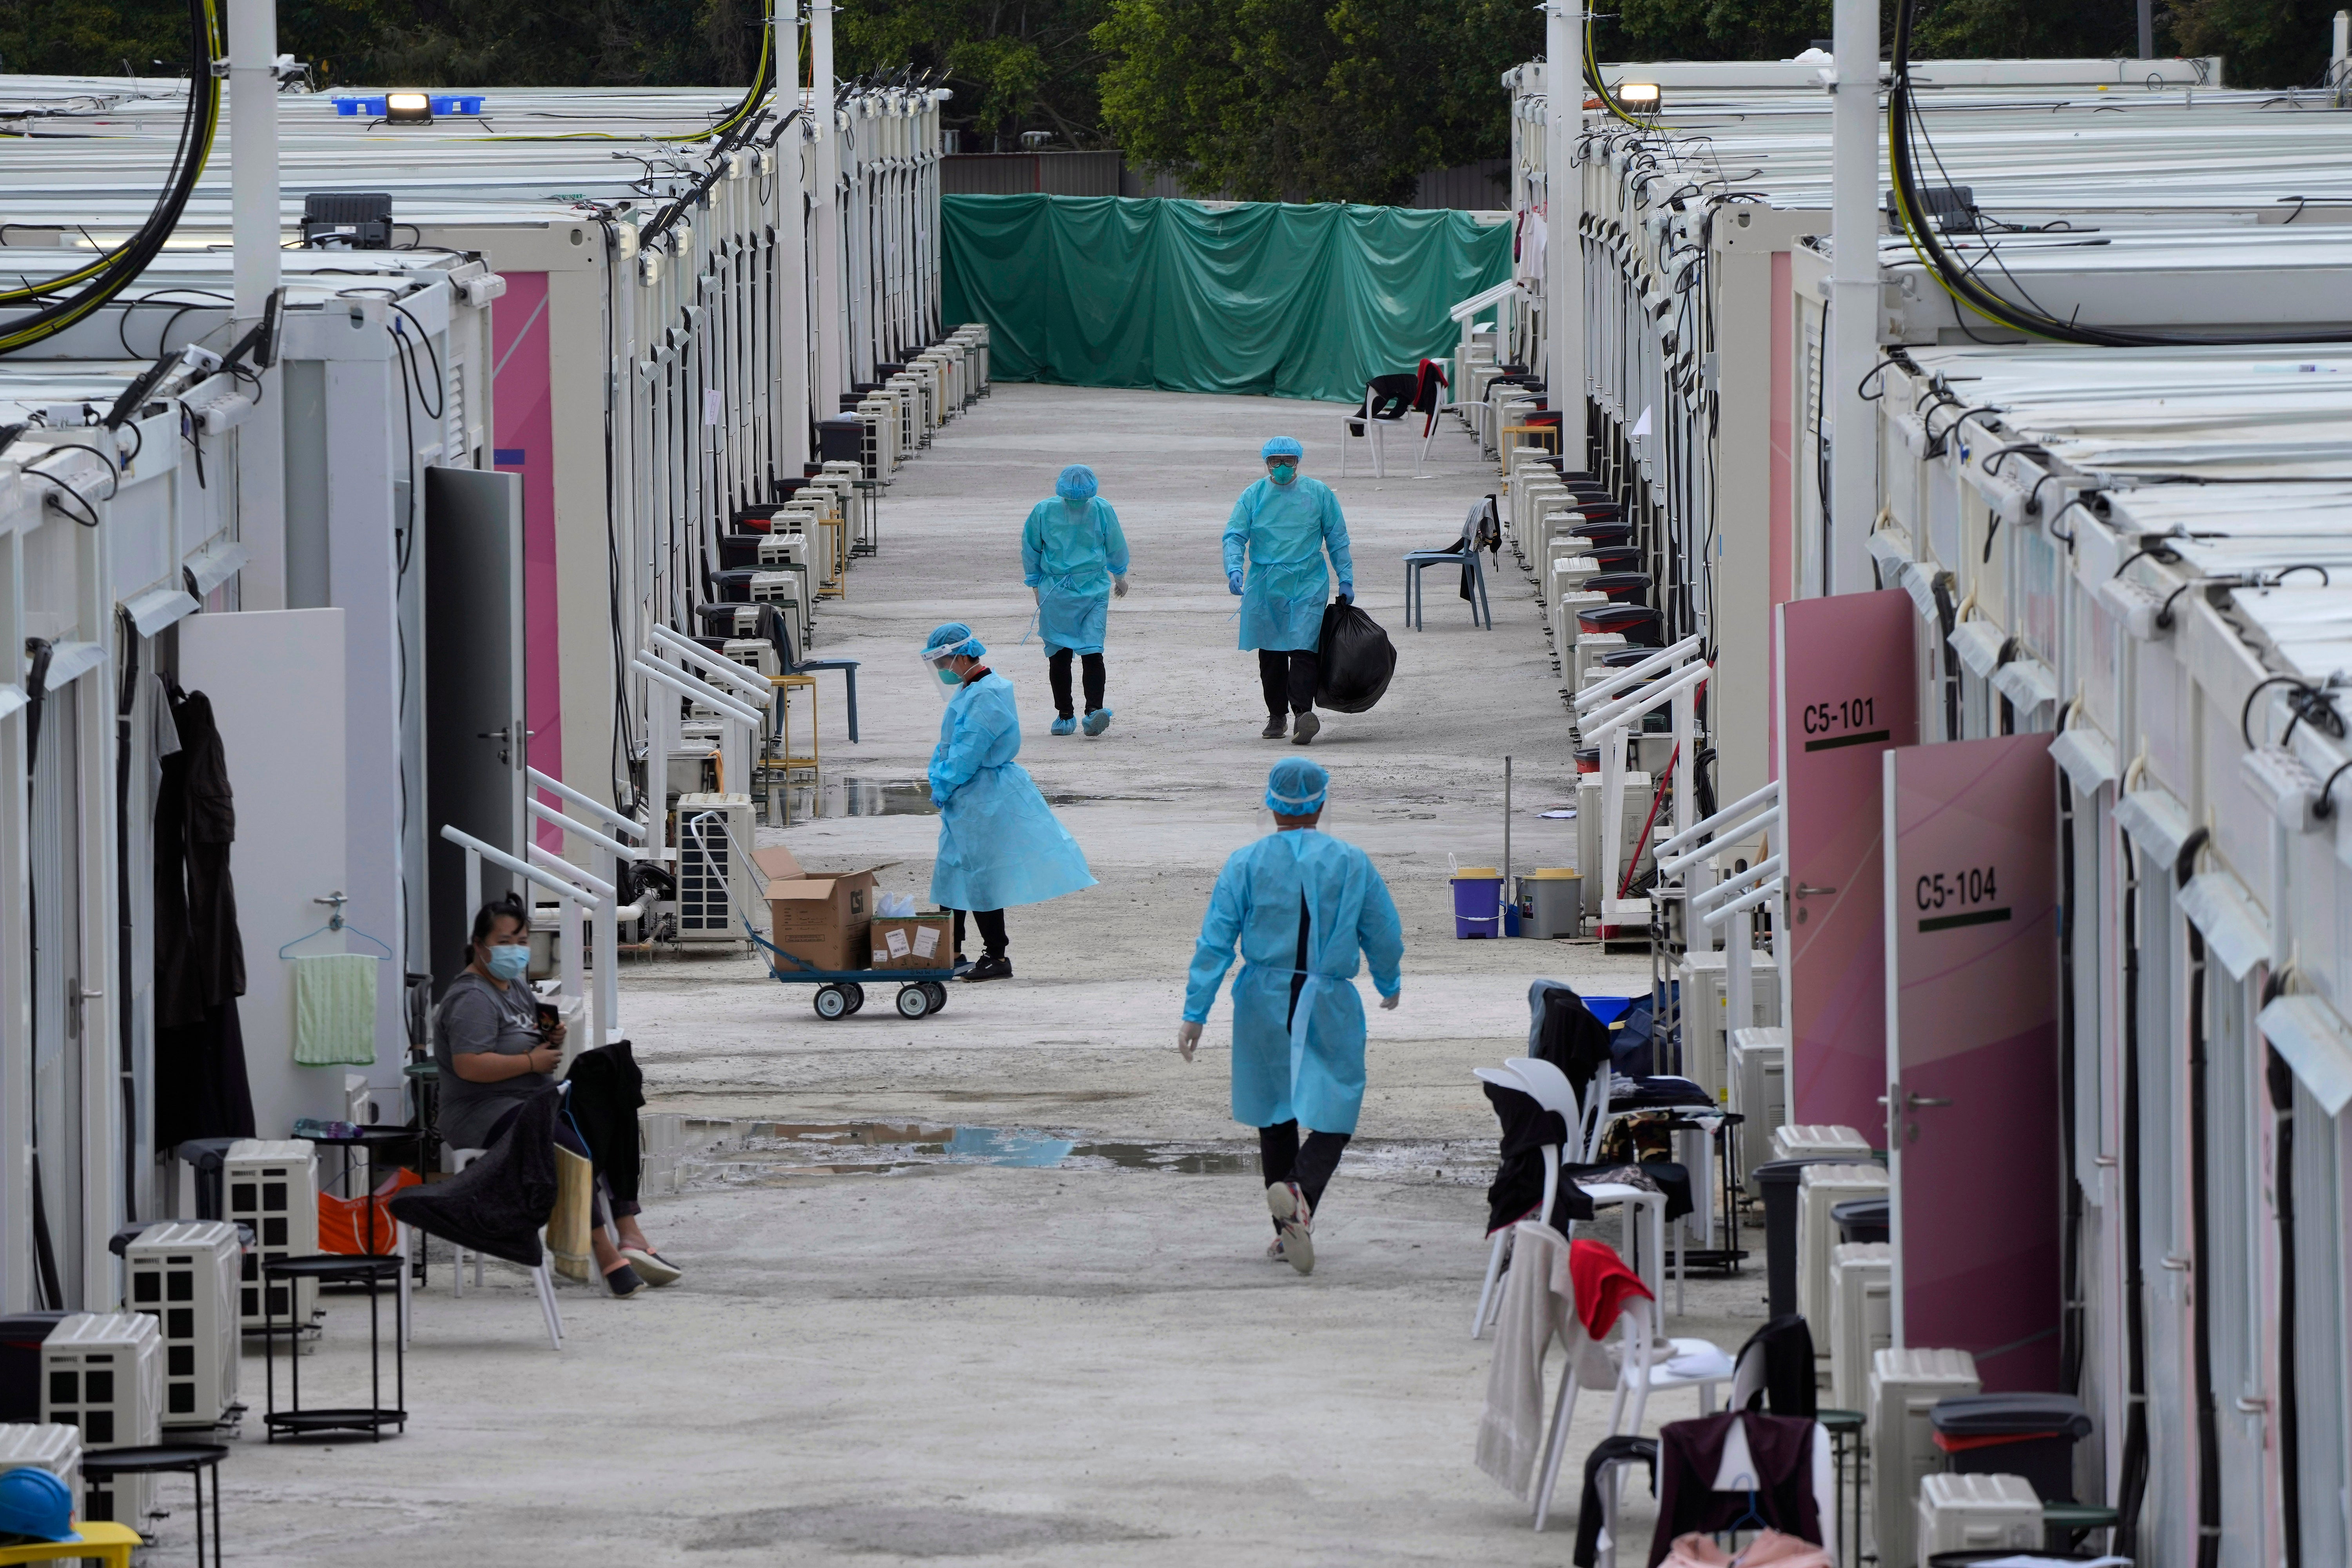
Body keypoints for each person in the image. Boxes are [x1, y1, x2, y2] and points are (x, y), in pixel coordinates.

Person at [1177, 759, 1403, 1274]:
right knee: (1338, 1105)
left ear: (1272, 803)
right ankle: (1300, 1195)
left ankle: (1287, 1229)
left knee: (1274, 1112)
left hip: (1262, 998)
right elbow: (1383, 930)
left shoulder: (1245, 863)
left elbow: (1216, 941)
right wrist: (1389, 980)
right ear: (1321, 803)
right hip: (1330, 998)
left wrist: (1196, 1011)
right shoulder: (1352, 862)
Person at [436, 897, 677, 1297]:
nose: (515, 949)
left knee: (614, 1080)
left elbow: (531, 1033)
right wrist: (531, 1061)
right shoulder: (471, 999)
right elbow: (469, 1066)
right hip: (484, 1112)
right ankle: (603, 1250)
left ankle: (629, 1228)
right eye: (504, 941)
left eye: (521, 940)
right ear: (480, 945)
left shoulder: (514, 985)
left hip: (536, 1097)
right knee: (565, 1144)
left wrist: (550, 1037)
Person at [922, 622, 1097, 980]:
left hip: (981, 795)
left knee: (980, 874)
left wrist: (944, 781)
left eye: (943, 662)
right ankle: (950, 951)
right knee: (952, 871)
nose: (942, 671)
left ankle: (996, 956)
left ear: (961, 657)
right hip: (968, 793)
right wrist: (943, 778)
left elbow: (968, 752)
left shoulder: (986, 695)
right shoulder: (973, 689)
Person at [1224, 436, 1355, 745]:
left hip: (1307, 580)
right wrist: (1233, 567)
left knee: (1304, 647)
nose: (1282, 467)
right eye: (1275, 461)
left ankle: (1302, 714)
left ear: (1298, 462)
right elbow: (1235, 535)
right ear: (1267, 463)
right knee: (1271, 651)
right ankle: (1276, 714)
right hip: (1266, 583)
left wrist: (1346, 578)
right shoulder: (1253, 496)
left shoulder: (1319, 493)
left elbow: (1337, 537)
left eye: (1289, 461)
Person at [1023, 463, 1131, 736]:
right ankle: (1092, 710)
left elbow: (1031, 548)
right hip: (1091, 588)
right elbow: (1115, 544)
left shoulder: (1043, 510)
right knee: (1092, 651)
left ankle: (1067, 716)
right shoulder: (1101, 508)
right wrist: (1120, 576)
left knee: (1060, 655)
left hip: (1056, 590)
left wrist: (1035, 584)